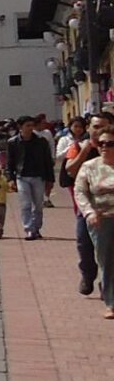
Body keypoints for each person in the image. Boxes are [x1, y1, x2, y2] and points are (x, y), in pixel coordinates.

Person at [75, 128, 114, 319]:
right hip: (101, 220)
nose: (105, 147)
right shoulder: (89, 167)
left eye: (110, 144)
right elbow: (80, 192)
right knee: (107, 261)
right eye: (101, 144)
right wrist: (89, 212)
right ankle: (111, 303)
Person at [66, 115, 104, 293]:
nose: (98, 131)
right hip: (86, 208)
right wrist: (85, 150)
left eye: (103, 126)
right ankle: (88, 275)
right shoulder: (78, 147)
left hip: (109, 208)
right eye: (95, 127)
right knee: (84, 243)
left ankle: (107, 284)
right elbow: (69, 172)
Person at [6, 115, 54, 239]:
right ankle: (29, 229)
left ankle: (36, 227)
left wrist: (50, 179)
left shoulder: (41, 141)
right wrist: (10, 178)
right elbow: (10, 162)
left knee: (38, 204)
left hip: (38, 176)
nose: (30, 128)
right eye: (27, 126)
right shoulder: (13, 142)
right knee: (25, 204)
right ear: (20, 127)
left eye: (32, 126)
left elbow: (47, 161)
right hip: (22, 176)